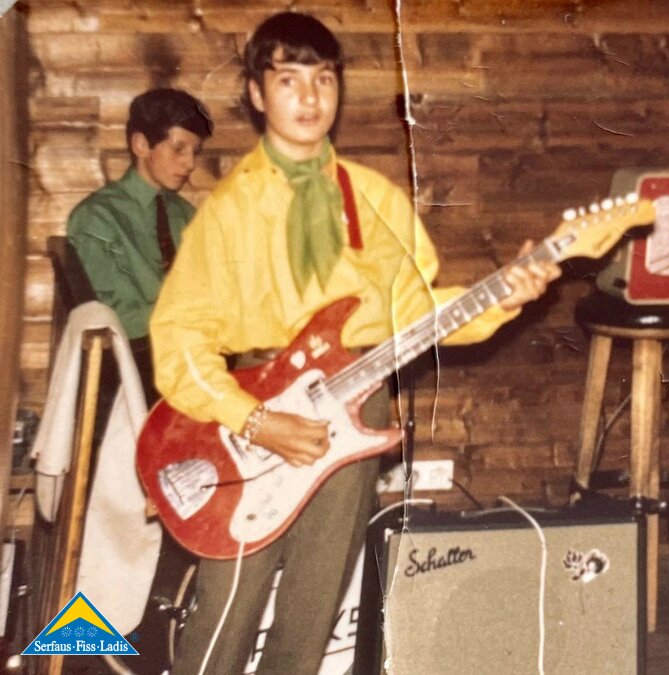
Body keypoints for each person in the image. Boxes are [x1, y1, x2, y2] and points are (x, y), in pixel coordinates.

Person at [149, 12, 560, 674]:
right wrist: (253, 419)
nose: (310, 97)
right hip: (252, 418)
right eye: (288, 79)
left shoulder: (376, 201)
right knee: (224, 620)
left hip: (356, 410)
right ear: (256, 93)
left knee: (311, 618)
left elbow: (417, 311)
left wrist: (502, 298)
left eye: (324, 79)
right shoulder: (228, 211)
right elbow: (177, 341)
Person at [67, 87, 212, 400]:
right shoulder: (98, 217)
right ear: (141, 145)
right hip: (131, 367)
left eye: (195, 151)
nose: (190, 163)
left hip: (188, 356)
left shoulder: (185, 215)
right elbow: (117, 317)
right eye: (179, 149)